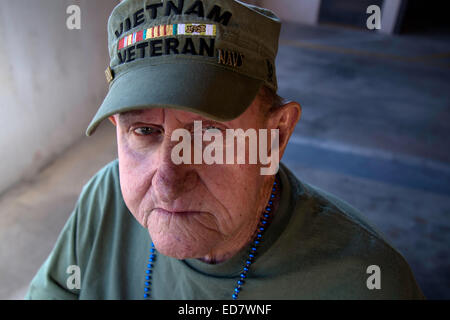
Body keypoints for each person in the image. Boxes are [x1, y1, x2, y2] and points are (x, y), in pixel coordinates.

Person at [25, 0, 424, 300]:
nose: (167, 180)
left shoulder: (364, 282)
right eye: (145, 130)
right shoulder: (105, 200)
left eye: (206, 135)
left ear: (275, 137)